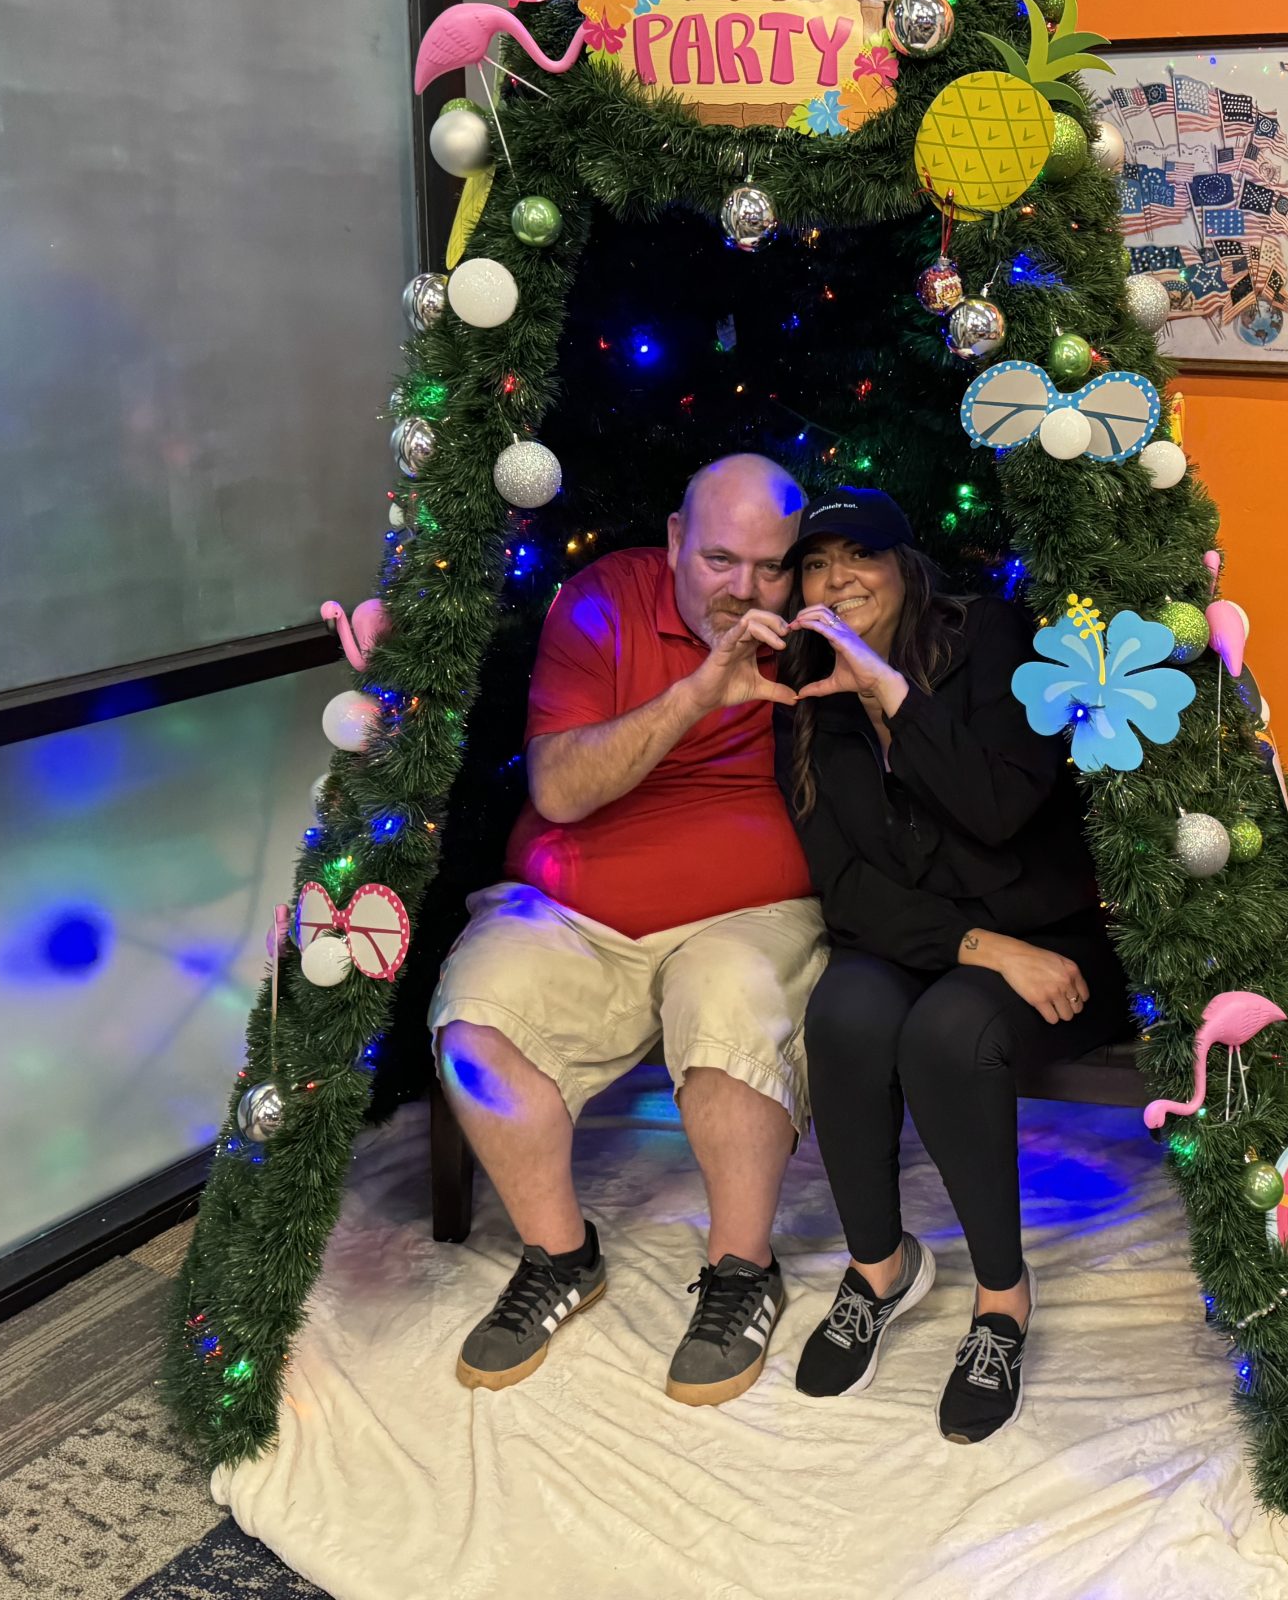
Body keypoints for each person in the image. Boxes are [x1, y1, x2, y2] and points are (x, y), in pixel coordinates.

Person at [432, 453, 822, 1408]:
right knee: (475, 1020)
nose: (744, 590)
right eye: (720, 559)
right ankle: (560, 1255)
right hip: (572, 909)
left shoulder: (817, 621)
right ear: (677, 539)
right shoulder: (603, 600)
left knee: (731, 1006)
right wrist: (698, 693)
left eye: (770, 567)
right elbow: (560, 791)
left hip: (748, 910)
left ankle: (741, 1271)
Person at [771, 488, 1125, 1443]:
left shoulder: (994, 639)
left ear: (905, 565)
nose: (838, 580)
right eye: (816, 564)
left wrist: (889, 692)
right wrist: (976, 947)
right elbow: (847, 887)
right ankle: (879, 1268)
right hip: (925, 937)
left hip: (1045, 934)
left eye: (859, 557)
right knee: (844, 1016)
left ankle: (1003, 1300)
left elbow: (1001, 809)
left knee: (948, 1033)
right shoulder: (802, 695)